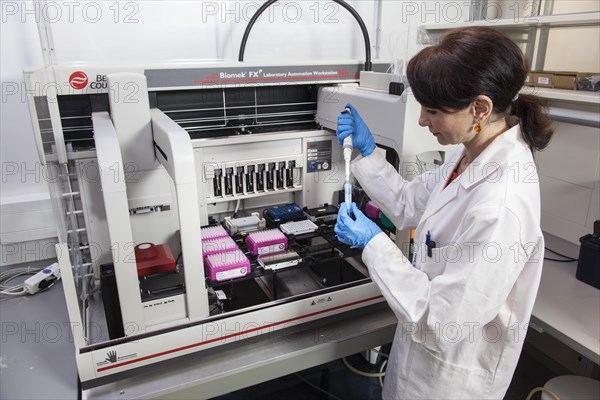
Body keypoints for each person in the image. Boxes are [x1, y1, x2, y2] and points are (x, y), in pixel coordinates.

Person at [334, 26, 554, 399]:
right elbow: (408, 203)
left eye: (433, 110)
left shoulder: (501, 205)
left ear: (480, 108)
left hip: (450, 379)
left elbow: (441, 324)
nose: (423, 120)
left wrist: (373, 244)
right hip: (419, 362)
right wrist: (369, 153)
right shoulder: (469, 153)